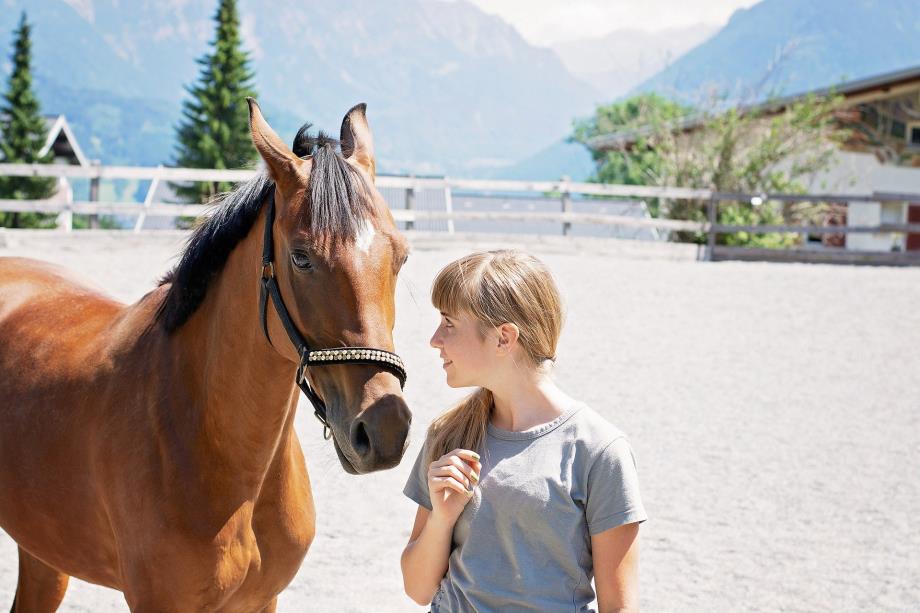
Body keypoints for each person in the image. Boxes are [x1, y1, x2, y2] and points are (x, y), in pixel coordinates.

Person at [400, 250, 647, 612]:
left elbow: (620, 606)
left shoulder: (600, 450)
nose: (435, 339)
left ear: (504, 338)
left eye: (449, 323)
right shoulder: (447, 435)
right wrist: (442, 517)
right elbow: (418, 590)